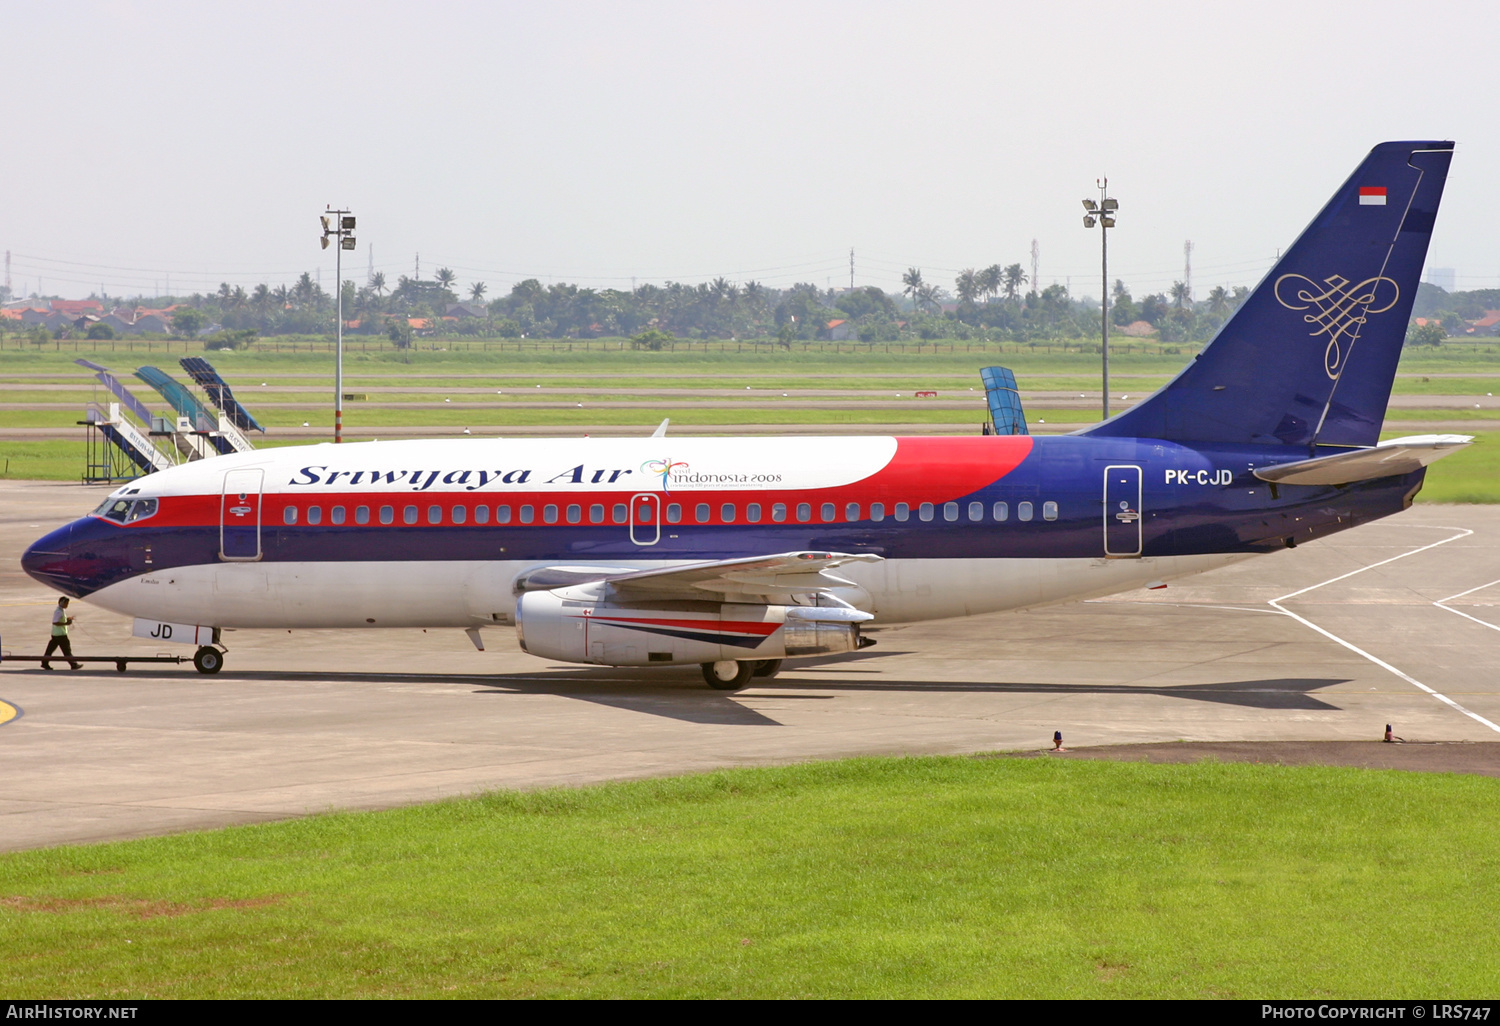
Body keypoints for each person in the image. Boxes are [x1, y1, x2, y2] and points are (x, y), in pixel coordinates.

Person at [42, 597, 82, 670]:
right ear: (62, 603)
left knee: (50, 649)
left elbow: (59, 620)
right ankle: (73, 664)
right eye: (66, 603)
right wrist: (66, 623)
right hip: (61, 635)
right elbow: (55, 622)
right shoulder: (59, 612)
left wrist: (67, 619)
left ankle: (44, 663)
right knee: (67, 650)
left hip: (56, 634)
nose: (67, 605)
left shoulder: (61, 610)